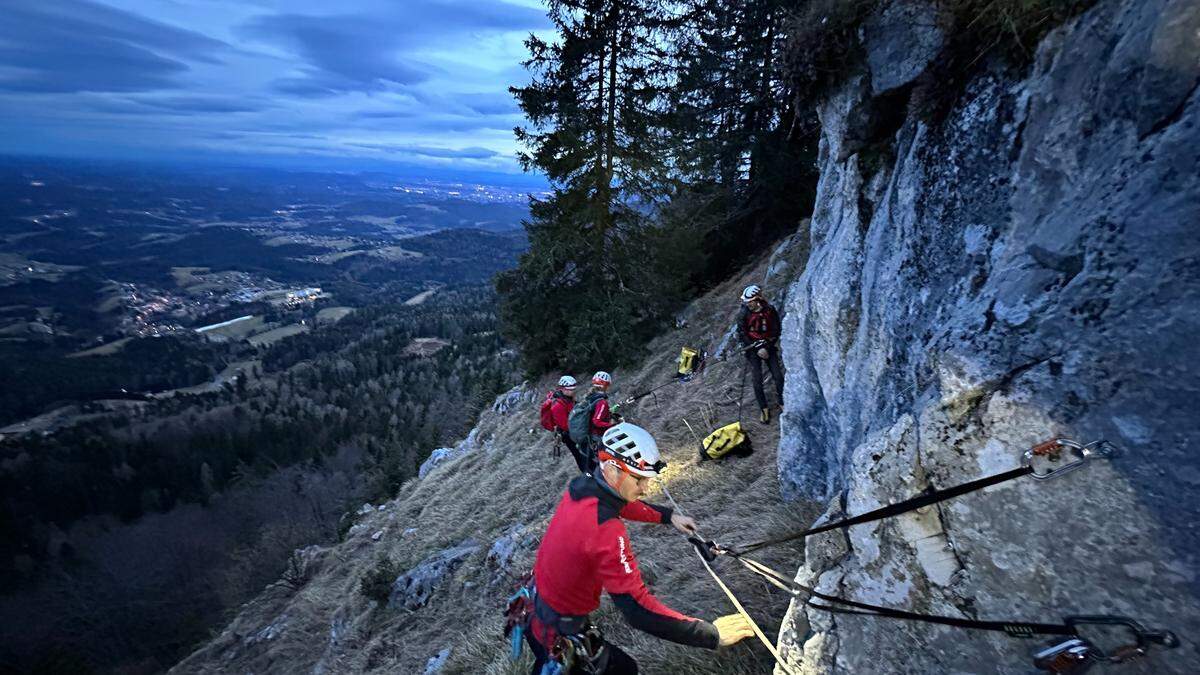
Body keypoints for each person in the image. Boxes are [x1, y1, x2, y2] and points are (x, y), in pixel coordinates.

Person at [525, 423, 754, 673]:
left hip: (537, 606)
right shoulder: (606, 530)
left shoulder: (582, 487)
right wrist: (712, 634)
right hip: (557, 627)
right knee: (625, 670)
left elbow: (619, 503)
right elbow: (638, 610)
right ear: (612, 470)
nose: (645, 488)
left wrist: (667, 517)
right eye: (639, 480)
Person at [736, 284, 784, 424]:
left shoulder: (770, 310)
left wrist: (766, 346)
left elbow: (776, 330)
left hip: (768, 346)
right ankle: (764, 409)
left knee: (778, 377)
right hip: (752, 349)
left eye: (749, 301)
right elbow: (742, 333)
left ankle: (782, 401)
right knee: (757, 381)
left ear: (757, 300)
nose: (747, 304)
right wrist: (756, 349)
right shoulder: (743, 314)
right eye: (746, 302)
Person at [569, 371, 620, 474]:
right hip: (597, 437)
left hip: (589, 437)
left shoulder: (590, 397)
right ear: (606, 385)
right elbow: (597, 421)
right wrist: (613, 426)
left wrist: (608, 413)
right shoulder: (602, 402)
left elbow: (593, 413)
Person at [546, 375, 589, 473]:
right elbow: (565, 425)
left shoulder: (568, 399)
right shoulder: (557, 406)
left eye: (573, 389)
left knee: (585, 454)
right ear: (562, 389)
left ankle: (590, 472)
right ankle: (587, 474)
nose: (572, 391)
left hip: (577, 432)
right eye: (569, 389)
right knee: (580, 456)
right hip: (569, 435)